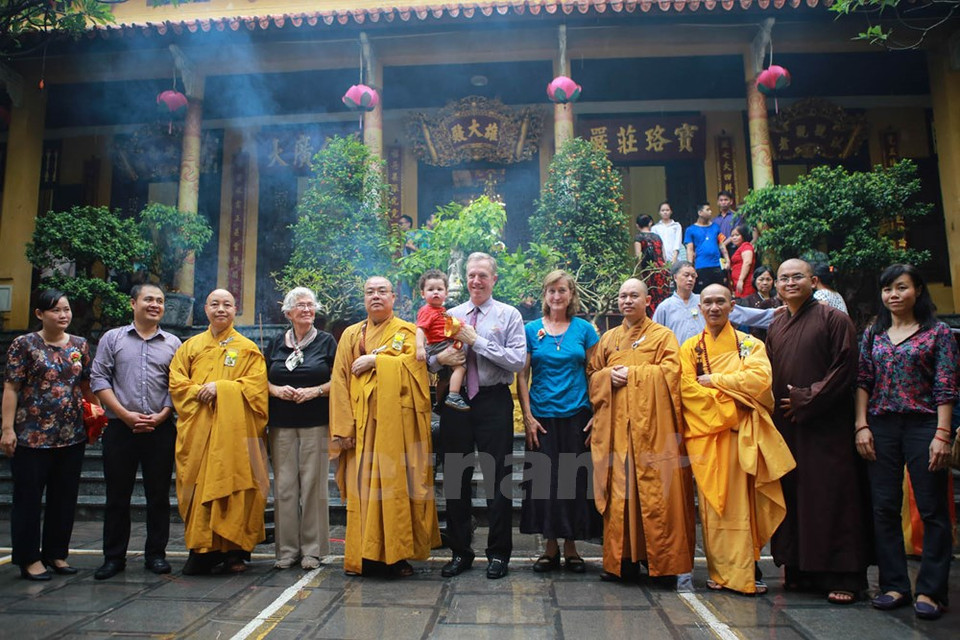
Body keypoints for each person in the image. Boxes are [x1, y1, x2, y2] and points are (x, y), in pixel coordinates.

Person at [765, 259, 873, 604]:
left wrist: (807, 398)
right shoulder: (777, 323)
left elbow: (845, 368)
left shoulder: (833, 319)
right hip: (787, 427)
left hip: (826, 426)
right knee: (796, 496)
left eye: (797, 276)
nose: (790, 282)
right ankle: (800, 569)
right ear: (776, 286)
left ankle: (844, 575)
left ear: (813, 281)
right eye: (784, 278)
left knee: (832, 497)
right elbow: (767, 370)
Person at [855, 264, 957, 620]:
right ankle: (894, 583)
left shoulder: (937, 333)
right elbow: (863, 380)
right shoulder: (874, 333)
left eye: (901, 287)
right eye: (887, 289)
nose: (893, 295)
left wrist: (943, 434)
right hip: (881, 425)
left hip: (924, 424)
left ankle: (931, 589)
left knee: (932, 509)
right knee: (883, 507)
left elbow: (946, 385)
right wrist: (861, 425)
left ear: (917, 291)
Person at [679, 284, 795, 595]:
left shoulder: (749, 344)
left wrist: (716, 380)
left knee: (746, 505)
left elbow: (759, 381)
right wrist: (732, 402)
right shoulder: (689, 348)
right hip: (708, 437)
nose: (714, 307)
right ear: (699, 308)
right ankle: (719, 571)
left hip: (743, 436)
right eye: (708, 302)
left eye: (720, 301)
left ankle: (747, 567)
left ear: (733, 306)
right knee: (714, 509)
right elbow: (687, 390)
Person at [329, 276, 440, 577]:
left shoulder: (406, 332)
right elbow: (339, 381)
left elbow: (418, 370)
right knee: (363, 491)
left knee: (395, 490)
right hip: (361, 428)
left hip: (396, 430)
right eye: (370, 292)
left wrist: (376, 362)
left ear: (394, 297)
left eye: (382, 292)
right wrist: (344, 428)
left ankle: (396, 556)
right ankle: (364, 555)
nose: (376, 296)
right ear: (363, 299)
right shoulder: (351, 335)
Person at [587, 278, 696, 582]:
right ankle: (622, 562)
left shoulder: (663, 336)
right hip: (617, 431)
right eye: (623, 296)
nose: (627, 301)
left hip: (654, 431)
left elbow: (673, 374)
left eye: (634, 295)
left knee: (657, 493)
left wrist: (632, 375)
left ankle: (661, 563)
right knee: (621, 494)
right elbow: (592, 375)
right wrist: (608, 375)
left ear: (648, 300)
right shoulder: (608, 339)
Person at [434, 252, 526, 580]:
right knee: (456, 478)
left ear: (494, 280)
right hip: (456, 402)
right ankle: (460, 551)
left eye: (483, 276)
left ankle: (498, 553)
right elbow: (432, 360)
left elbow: (517, 361)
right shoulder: (451, 314)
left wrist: (478, 342)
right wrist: (439, 359)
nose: (476, 281)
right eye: (472, 275)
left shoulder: (509, 314)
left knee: (497, 477)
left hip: (492, 401)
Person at [169, 289, 270, 575]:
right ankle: (202, 549)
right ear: (205, 309)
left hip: (234, 435)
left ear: (235, 309)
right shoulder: (190, 347)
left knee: (237, 486)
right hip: (199, 432)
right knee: (197, 485)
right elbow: (177, 384)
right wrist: (200, 391)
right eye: (215, 304)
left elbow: (257, 389)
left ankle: (235, 551)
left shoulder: (248, 348)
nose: (221, 309)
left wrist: (222, 389)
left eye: (227, 304)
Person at [2, 289, 97, 580]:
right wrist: (6, 429)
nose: (63, 315)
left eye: (66, 309)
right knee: (28, 499)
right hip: (32, 435)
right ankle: (29, 559)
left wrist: (96, 415)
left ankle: (56, 554)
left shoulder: (79, 345)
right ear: (40, 314)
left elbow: (85, 386)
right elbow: (11, 388)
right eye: (56, 310)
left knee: (64, 498)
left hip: (70, 435)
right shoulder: (24, 344)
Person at [90, 284, 182, 580]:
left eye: (160, 301)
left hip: (160, 427)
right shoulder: (112, 338)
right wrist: (125, 414)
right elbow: (99, 379)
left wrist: (163, 414)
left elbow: (178, 385)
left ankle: (156, 554)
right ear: (133, 303)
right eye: (148, 299)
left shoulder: (173, 343)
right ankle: (113, 557)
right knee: (117, 495)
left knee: (159, 496)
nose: (154, 305)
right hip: (120, 428)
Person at [517, 270, 602, 573]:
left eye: (562, 290)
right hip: (542, 417)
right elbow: (522, 375)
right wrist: (527, 416)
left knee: (574, 482)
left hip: (577, 415)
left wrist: (597, 414)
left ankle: (572, 547)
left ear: (571, 295)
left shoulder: (584, 330)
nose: (556, 296)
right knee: (545, 483)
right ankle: (549, 547)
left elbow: (595, 373)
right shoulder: (531, 330)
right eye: (551, 291)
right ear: (545, 295)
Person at [265, 287, 337, 571]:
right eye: (300, 306)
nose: (307, 310)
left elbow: (340, 380)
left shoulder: (327, 342)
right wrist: (276, 390)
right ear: (288, 313)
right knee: (284, 486)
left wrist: (316, 391)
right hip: (281, 424)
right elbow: (262, 380)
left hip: (315, 423)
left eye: (310, 305)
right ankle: (287, 550)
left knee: (312, 486)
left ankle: (312, 550)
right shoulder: (275, 343)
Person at [653, 261, 775, 347]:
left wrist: (773, 316)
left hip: (709, 356)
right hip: (679, 360)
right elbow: (656, 336)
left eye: (693, 276)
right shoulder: (665, 307)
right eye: (686, 275)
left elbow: (740, 313)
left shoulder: (705, 300)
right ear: (675, 277)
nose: (690, 279)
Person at [415, 269, 468, 411]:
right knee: (460, 367)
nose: (435, 292)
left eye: (439, 289)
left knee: (444, 378)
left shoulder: (441, 310)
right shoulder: (427, 310)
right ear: (423, 293)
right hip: (439, 346)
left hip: (443, 344)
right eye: (430, 289)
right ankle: (453, 395)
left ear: (446, 292)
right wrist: (420, 347)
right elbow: (420, 329)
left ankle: (439, 404)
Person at [685, 204, 730, 293]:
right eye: (708, 210)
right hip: (701, 266)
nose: (710, 212)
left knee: (719, 291)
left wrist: (727, 260)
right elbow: (690, 249)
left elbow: (721, 245)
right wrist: (690, 266)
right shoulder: (690, 230)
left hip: (717, 265)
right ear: (700, 213)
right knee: (702, 292)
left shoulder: (716, 227)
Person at [633, 215, 670, 314]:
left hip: (649, 270)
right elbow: (664, 255)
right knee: (662, 296)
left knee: (650, 296)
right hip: (662, 269)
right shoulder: (657, 237)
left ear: (637, 225)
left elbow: (638, 256)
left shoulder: (639, 237)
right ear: (650, 223)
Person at [737, 266, 782, 341]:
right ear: (755, 281)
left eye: (768, 279)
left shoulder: (779, 299)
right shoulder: (747, 301)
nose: (765, 283)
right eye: (761, 279)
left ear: (774, 282)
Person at [651, 201, 683, 266]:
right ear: (659, 212)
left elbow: (677, 242)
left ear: (671, 211)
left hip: (675, 258)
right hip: (660, 259)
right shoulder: (655, 228)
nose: (665, 212)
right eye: (662, 210)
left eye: (667, 210)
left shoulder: (676, 226)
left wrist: (674, 258)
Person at [728, 224, 756, 298]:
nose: (734, 238)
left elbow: (747, 262)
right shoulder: (739, 248)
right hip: (738, 283)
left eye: (737, 235)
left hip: (745, 283)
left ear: (743, 235)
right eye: (732, 236)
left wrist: (741, 280)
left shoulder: (746, 246)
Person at [715, 190, 743, 254]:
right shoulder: (715, 220)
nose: (723, 202)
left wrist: (723, 245)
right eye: (721, 200)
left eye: (726, 200)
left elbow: (737, 232)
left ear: (731, 202)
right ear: (718, 202)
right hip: (719, 251)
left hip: (733, 249)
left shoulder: (736, 216)